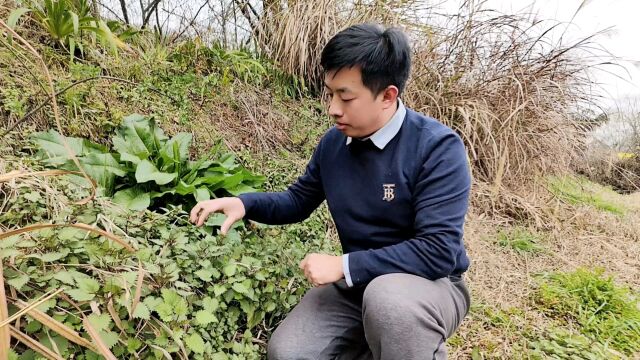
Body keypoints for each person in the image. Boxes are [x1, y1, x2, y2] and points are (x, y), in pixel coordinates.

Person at [190, 23, 471, 360]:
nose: (333, 108)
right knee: (289, 352)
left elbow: (437, 251)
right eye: (330, 93)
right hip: (358, 284)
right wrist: (243, 203)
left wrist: (345, 265)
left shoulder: (436, 148)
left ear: (387, 96)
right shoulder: (335, 144)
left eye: (346, 96)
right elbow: (296, 201)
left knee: (389, 303)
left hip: (429, 284)